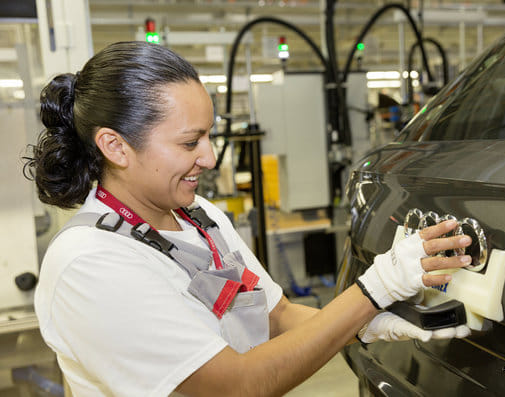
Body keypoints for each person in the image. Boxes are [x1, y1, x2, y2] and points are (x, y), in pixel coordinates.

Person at [24, 41, 472, 397]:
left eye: (210, 135)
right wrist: (373, 292)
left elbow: (275, 317)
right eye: (189, 142)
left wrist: (362, 326)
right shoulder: (91, 263)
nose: (210, 156)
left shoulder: (199, 216)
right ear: (116, 146)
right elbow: (237, 386)